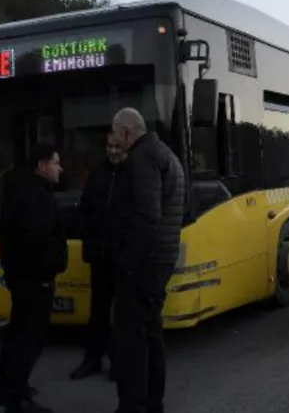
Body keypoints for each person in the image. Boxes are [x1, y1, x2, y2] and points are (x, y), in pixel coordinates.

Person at [109, 108, 186, 413]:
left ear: (127, 131)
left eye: (115, 133)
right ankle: (153, 403)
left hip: (145, 262)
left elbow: (148, 215)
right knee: (151, 333)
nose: (114, 139)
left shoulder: (142, 158)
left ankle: (134, 405)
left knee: (132, 339)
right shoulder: (165, 154)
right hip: (161, 257)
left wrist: (128, 259)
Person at [0, 143, 68, 413]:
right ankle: (18, 397)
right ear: (41, 166)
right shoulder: (37, 197)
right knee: (30, 338)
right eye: (56, 162)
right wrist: (49, 270)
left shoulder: (18, 190)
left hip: (19, 276)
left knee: (17, 333)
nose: (60, 169)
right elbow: (37, 242)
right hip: (34, 279)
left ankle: (9, 388)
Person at [69, 132, 126, 381]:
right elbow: (85, 208)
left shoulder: (132, 174)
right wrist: (87, 239)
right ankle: (92, 359)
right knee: (98, 310)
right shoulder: (98, 173)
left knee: (121, 313)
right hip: (99, 254)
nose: (113, 151)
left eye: (117, 147)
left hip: (123, 255)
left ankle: (118, 362)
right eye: (109, 146)